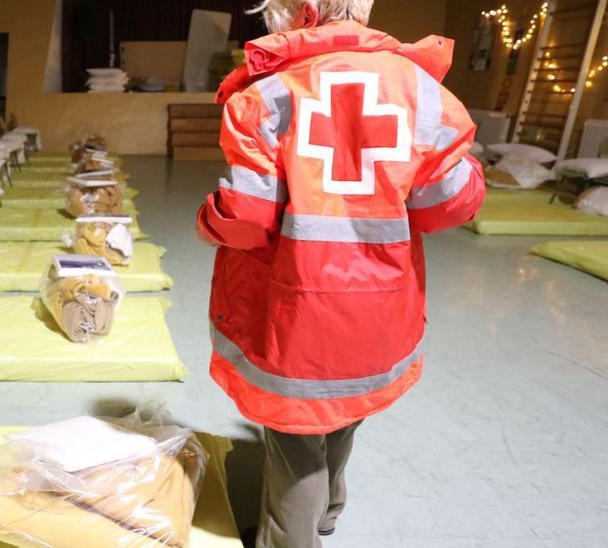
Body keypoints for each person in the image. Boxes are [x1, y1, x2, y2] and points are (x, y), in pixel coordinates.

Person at [196, 1, 485, 546]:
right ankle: (331, 508)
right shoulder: (424, 93)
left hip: (295, 308)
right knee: (344, 412)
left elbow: (247, 218)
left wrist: (208, 218)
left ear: (300, 10)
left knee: (294, 439)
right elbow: (446, 204)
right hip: (381, 304)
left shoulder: (266, 96)